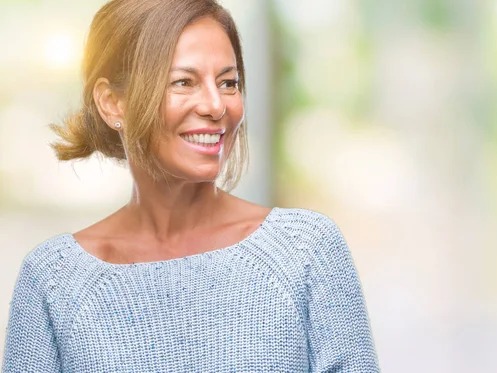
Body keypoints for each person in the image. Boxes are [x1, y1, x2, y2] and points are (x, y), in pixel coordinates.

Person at [1, 0, 380, 371]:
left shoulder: (305, 252)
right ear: (113, 103)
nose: (217, 106)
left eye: (228, 82)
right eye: (183, 81)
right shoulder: (54, 281)